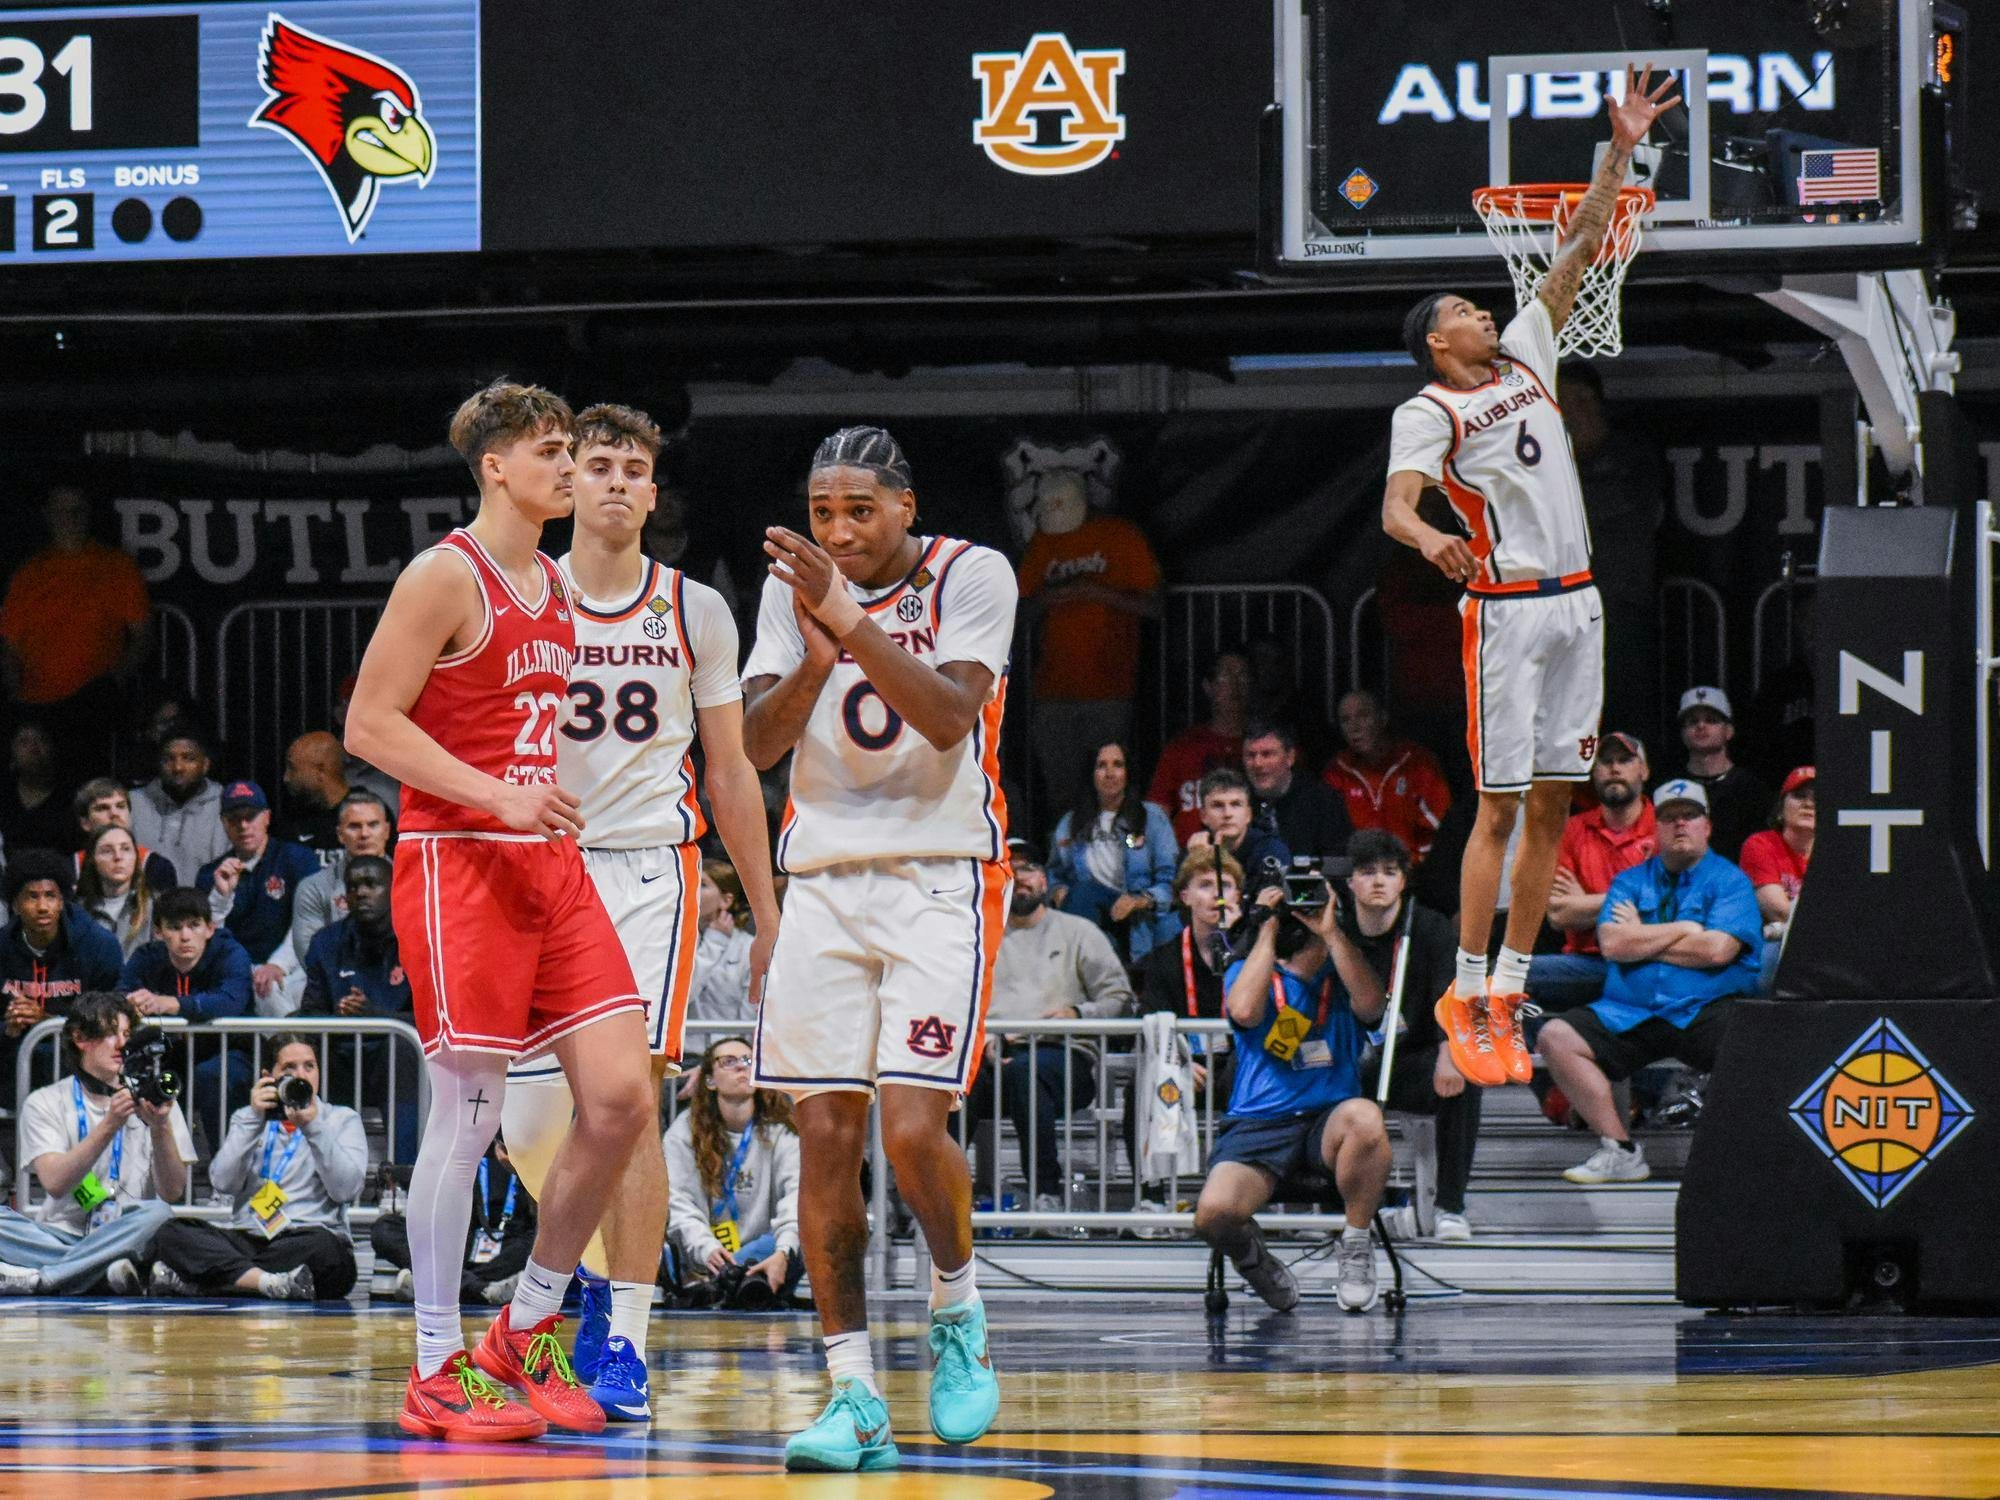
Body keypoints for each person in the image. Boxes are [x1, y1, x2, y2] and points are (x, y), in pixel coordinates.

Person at [346, 380, 655, 1443]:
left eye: (572, 449)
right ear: (496, 467)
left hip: (545, 861)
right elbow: (368, 726)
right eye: (552, 451)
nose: (569, 467)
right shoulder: (446, 575)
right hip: (458, 862)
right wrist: (498, 795)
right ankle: (435, 1366)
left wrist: (535, 803)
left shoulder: (556, 587)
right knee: (470, 1117)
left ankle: (520, 1337)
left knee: (619, 1098)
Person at [1381, 65, 1681, 1092]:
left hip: (1578, 605)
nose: (1482, 307)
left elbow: (1577, 248)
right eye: (1465, 306)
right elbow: (1395, 507)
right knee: (1497, 810)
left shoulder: (1524, 355)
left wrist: (1620, 145)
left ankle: (1505, 989)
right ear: (1436, 339)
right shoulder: (1428, 410)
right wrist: (1433, 545)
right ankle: (1465, 984)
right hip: (1504, 615)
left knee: (1555, 804)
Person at [499, 400, 779, 1424]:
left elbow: (732, 770)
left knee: (628, 1111)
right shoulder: (519, 592)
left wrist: (764, 913)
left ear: (654, 492)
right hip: (533, 870)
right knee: (530, 1122)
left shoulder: (695, 607)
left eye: (633, 467)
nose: (616, 481)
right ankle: (577, 1264)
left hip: (644, 877)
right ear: (566, 480)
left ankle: (623, 1335)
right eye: (598, 464)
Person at [741, 424, 1013, 1471]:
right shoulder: (791, 591)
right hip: (822, 883)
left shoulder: (972, 572)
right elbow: (761, 747)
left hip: (937, 878)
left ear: (906, 505)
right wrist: (813, 654)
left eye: (859, 510)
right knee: (821, 1137)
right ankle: (850, 1392)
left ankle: (956, 1310)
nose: (839, 531)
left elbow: (947, 718)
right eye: (821, 513)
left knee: (908, 1132)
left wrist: (845, 618)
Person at [1537, 779, 1760, 1185]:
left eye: (1689, 817)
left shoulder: (1731, 882)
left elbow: (1716, 952)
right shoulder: (1630, 881)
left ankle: (1742, 1155)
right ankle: (1620, 1150)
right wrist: (1687, 928)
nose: (1679, 826)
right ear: (1655, 829)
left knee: (1753, 1039)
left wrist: (1645, 939)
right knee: (1556, 1035)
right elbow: (1613, 944)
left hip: (1704, 1011)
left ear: (1706, 826)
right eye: (1669, 818)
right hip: (1631, 1011)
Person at [1192, 880, 1389, 1314]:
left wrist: (1333, 932)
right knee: (1213, 1214)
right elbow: (1244, 1012)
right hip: (1260, 1121)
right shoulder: (1254, 971)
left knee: (1366, 1117)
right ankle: (1254, 1260)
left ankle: (1355, 1248)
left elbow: (1373, 1006)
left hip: (1327, 1121)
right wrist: (1265, 927)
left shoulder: (1345, 969)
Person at [0, 992, 194, 1297]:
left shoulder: (158, 1100)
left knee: (158, 1213)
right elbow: (55, 1182)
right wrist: (109, 1125)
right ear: (80, 1038)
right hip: (58, 1235)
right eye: (109, 1033)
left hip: (125, 1230)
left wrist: (159, 1127)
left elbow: (172, 1191)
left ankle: (46, 1278)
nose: (121, 1045)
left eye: (127, 1035)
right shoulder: (45, 1101)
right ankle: (99, 1272)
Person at [148, 1036, 367, 1301]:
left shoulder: (341, 1119)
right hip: (249, 1236)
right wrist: (253, 1120)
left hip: (306, 1236)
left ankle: (215, 1282)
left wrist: (313, 1127)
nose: (301, 1075)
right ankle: (268, 1282)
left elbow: (345, 1189)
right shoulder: (247, 1118)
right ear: (269, 1075)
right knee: (172, 1233)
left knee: (328, 1253)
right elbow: (223, 1182)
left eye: (309, 1066)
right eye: (289, 1068)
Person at [977, 841, 1133, 1214]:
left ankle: (1046, 1193)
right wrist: (981, 1037)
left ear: (1045, 881)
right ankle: (931, 1202)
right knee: (949, 1083)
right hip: (992, 1053)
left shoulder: (1078, 932)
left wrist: (1077, 1014)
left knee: (1029, 1075)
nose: (1019, 878)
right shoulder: (976, 937)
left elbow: (1119, 997)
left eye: (1027, 869)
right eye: (1009, 869)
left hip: (1062, 1054)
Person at [1342, 830, 1478, 1241]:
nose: (1379, 881)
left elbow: (1449, 993)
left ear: (1403, 880)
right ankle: (1344, 1206)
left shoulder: (1430, 927)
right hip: (1348, 1063)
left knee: (1465, 1078)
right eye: (1367, 872)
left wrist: (1448, 1051)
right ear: (1350, 882)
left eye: (1389, 872)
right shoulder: (1337, 930)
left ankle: (1450, 1207)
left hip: (1411, 1058)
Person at [1015, 467, 1161, 811]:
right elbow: (1019, 610)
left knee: (1112, 789)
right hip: (1053, 690)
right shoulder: (1043, 540)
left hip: (1110, 689)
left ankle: (1114, 856)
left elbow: (1156, 605)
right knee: (1060, 792)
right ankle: (1064, 856)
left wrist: (1097, 591)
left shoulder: (1122, 536)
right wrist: (1049, 598)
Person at [0, 486, 151, 768]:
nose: (70, 518)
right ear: (48, 516)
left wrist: (115, 679)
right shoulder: (28, 574)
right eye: (62, 511)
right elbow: (9, 646)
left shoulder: (116, 567)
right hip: (37, 705)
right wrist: (15, 693)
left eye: (77, 510)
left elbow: (142, 635)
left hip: (93, 705)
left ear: (88, 513)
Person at [1129, 849, 1243, 1222]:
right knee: (1140, 1087)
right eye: (1206, 885)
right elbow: (1154, 1017)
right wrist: (1178, 1061)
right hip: (1188, 1065)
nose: (1217, 895)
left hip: (1244, 1065)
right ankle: (1151, 1194)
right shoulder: (1164, 958)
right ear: (1186, 896)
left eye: (1226, 885)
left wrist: (1243, 942)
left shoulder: (1256, 948)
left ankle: (1244, 1197)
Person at [1561, 361, 1666, 749]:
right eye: (1563, 401)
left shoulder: (1632, 454)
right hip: (1565, 615)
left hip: (1621, 608)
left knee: (1627, 721)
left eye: (1581, 398)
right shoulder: (1543, 461)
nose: (1574, 409)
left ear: (1597, 401)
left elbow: (1623, 508)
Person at [664, 1036, 803, 1305]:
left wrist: (784, 1251)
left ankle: (715, 1287)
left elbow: (796, 1196)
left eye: (748, 1061)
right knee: (665, 1245)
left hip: (767, 1255)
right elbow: (678, 1202)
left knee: (803, 1237)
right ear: (709, 1080)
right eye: (728, 1062)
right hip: (706, 1256)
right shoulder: (683, 1133)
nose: (741, 1067)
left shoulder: (782, 1132)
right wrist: (707, 1249)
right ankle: (723, 1283)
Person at [299, 855, 418, 1162]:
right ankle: (313, 1175)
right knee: (299, 1046)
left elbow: (432, 1022)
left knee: (402, 1052)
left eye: (371, 884)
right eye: (353, 887)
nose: (361, 893)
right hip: (340, 1055)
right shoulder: (325, 943)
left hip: (394, 1057)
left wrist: (377, 1018)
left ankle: (405, 1176)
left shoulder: (419, 940)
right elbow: (310, 1013)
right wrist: (337, 1019)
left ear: (393, 890)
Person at [1529, 732, 1657, 1012]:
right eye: (1604, 761)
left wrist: (1584, 903)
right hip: (1587, 962)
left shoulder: (1664, 827)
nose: (1614, 768)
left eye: (1625, 760)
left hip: (1651, 961)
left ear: (1644, 771)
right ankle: (1535, 1050)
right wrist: (1634, 899)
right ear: (1593, 773)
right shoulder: (1573, 829)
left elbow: (1667, 907)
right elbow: (1558, 915)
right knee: (1505, 976)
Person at [118, 886, 255, 1131]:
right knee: (142, 1076)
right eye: (174, 927)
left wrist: (171, 1004)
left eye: (194, 925)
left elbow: (230, 1001)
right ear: (159, 932)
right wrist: (133, 1004)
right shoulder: (147, 956)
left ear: (210, 928)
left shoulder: (230, 953)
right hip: (171, 1057)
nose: (185, 936)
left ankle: (223, 1164)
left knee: (212, 1075)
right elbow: (120, 996)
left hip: (230, 1053)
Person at [1, 849, 124, 1110]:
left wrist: (47, 1022)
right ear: (14, 905)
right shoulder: (2, 948)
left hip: (81, 1067)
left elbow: (112, 1019)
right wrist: (8, 1028)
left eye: (50, 896)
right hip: (12, 1072)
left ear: (63, 901)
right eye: (32, 897)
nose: (43, 907)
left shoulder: (98, 946)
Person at [1046, 740, 1179, 963]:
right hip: (1089, 911)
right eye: (1101, 766)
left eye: (1117, 765)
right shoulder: (1071, 822)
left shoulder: (1152, 818)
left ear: (1128, 773)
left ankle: (1062, 966)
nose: (1109, 773)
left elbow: (1172, 880)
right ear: (1092, 774)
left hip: (1136, 918)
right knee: (1083, 892)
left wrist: (1140, 901)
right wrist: (1057, 890)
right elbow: (1053, 873)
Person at [197, 780, 322, 1016]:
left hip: (292, 969)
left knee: (272, 988)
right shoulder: (210, 874)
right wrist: (221, 895)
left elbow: (308, 923)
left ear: (267, 817)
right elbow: (207, 937)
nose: (243, 825)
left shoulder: (297, 859)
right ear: (223, 822)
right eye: (234, 819)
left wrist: (278, 965)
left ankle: (292, 1046)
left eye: (250, 816)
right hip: (234, 973)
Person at [373, 1140, 537, 1306]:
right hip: (461, 1243)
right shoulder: (459, 1141)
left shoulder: (531, 1147)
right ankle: (479, 1289)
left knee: (536, 1242)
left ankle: (434, 1285)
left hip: (510, 1246)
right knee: (385, 1228)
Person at [1321, 691, 1451, 865]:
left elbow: (1441, 825)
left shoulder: (1417, 763)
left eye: (1363, 715)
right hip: (1357, 875)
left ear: (1382, 718)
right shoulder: (1336, 772)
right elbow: (1329, 836)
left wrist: (1416, 865)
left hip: (1414, 872)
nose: (1354, 727)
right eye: (1345, 720)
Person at [1148, 649, 1252, 844]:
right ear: (1208, 686)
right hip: (1192, 863)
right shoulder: (1181, 748)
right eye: (1226, 676)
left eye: (1242, 675)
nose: (1235, 685)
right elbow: (1156, 816)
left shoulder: (1264, 750)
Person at [290, 788, 396, 961]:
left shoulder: (412, 882)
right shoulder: (314, 888)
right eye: (354, 826)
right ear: (340, 834)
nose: (364, 834)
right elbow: (311, 956)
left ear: (387, 830)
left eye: (373, 824)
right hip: (336, 982)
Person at [1675, 687, 1771, 865]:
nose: (1701, 726)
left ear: (1729, 731)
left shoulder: (1752, 789)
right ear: (1683, 733)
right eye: (1693, 721)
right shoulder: (1670, 786)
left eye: (1711, 720)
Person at [129, 729, 231, 892]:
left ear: (205, 765)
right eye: (168, 759)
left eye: (188, 758)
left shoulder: (226, 805)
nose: (177, 767)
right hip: (142, 912)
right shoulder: (132, 804)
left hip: (205, 912)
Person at [1739, 766, 1814, 982]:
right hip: (1770, 948)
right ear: (1781, 809)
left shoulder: (1836, 851)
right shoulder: (1760, 845)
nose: (1808, 804)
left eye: (1816, 798)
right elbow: (1780, 912)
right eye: (1799, 796)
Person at [1243, 720, 1352, 859]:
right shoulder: (1233, 801)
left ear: (1290, 757)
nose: (1257, 763)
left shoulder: (1323, 801)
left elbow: (1340, 863)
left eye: (1267, 754)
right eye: (1250, 755)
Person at [1186, 768, 1290, 900]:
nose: (1227, 814)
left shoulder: (1271, 850)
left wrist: (1214, 861)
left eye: (1236, 804)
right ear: (1203, 816)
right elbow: (1187, 908)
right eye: (1217, 805)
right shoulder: (1195, 849)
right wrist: (1199, 861)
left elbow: (1263, 909)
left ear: (1248, 814)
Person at [70, 777, 179, 889]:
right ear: (85, 822)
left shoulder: (157, 867)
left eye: (121, 806)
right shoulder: (71, 867)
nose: (114, 813)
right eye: (102, 808)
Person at [76, 824, 162, 960]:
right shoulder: (76, 911)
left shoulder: (156, 905)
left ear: (136, 856)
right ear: (92, 859)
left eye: (126, 849)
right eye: (107, 851)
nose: (118, 857)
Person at [688, 860, 757, 1025]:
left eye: (703, 884)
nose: (692, 888)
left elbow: (751, 1016)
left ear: (726, 900)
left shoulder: (749, 948)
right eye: (691, 880)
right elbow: (684, 995)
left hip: (732, 1046)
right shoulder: (679, 941)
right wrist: (714, 942)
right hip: (682, 1046)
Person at [1, 722, 74, 856]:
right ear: (13, 753)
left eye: (41, 740)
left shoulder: (71, 799)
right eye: (24, 742)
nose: (33, 748)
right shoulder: (5, 796)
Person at [280, 731, 352, 855]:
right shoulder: (293, 821)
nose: (286, 778)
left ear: (320, 771)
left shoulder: (370, 810)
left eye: (292, 768)